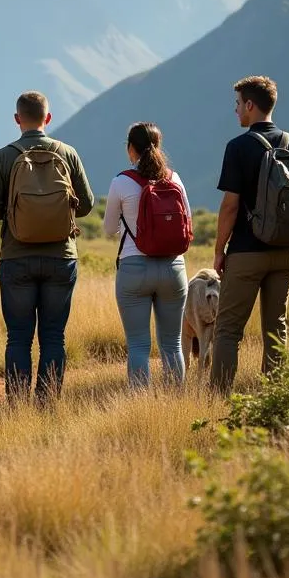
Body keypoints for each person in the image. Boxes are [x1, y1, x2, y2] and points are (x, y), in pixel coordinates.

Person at [0, 91, 95, 400]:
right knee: (53, 337)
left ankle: (17, 405)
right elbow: (86, 205)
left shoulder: (3, 157)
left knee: (18, 337)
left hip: (17, 257)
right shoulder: (67, 153)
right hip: (61, 257)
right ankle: (46, 403)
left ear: (18, 119)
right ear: (48, 118)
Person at [210, 76, 289, 394]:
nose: (236, 111)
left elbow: (230, 207)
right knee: (275, 331)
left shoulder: (238, 147)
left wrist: (219, 250)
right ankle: (276, 399)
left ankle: (218, 401)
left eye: (237, 104)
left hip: (245, 252)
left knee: (228, 331)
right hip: (285, 253)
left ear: (250, 105)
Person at [103, 122, 191, 388]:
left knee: (139, 346)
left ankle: (140, 405)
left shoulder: (121, 182)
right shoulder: (174, 179)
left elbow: (108, 230)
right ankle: (176, 404)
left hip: (134, 269)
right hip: (174, 268)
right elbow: (188, 223)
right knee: (172, 344)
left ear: (131, 149)